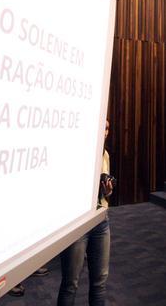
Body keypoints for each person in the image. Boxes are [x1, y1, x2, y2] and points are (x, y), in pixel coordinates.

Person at [57, 120, 114, 306]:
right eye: (102, 127)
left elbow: (105, 193)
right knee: (70, 284)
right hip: (78, 222)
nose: (104, 132)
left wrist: (107, 190)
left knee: (100, 282)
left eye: (107, 128)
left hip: (101, 220)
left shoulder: (105, 154)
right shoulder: (77, 152)